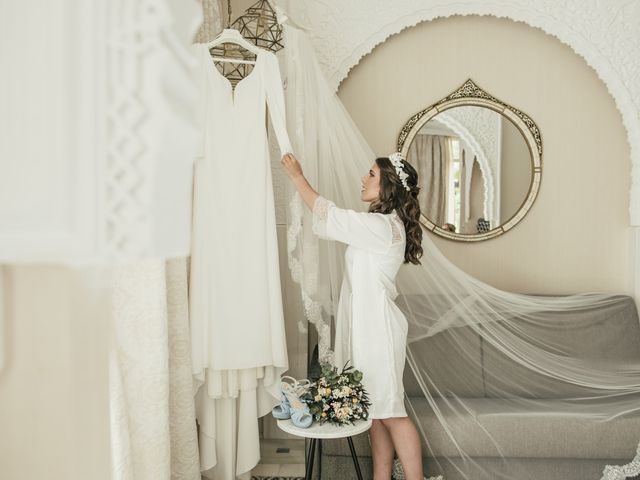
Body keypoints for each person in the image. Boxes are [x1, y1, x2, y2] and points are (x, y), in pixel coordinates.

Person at [281, 152, 425, 480]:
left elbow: (329, 215)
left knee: (391, 413)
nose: (363, 178)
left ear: (388, 186)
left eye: (371, 175)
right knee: (374, 413)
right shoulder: (380, 225)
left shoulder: (382, 227)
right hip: (366, 328)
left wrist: (297, 177)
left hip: (378, 331)